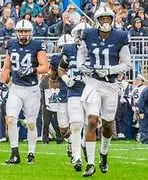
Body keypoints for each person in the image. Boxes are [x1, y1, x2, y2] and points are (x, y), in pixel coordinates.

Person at [77, 7, 131, 177]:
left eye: (108, 18)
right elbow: (81, 54)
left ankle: (104, 153)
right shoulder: (89, 34)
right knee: (92, 121)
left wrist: (109, 70)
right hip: (93, 82)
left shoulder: (120, 37)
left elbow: (127, 64)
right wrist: (81, 65)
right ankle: (91, 164)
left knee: (107, 125)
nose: (106, 21)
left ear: (112, 19)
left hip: (111, 85)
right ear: (97, 20)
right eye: (103, 18)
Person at [0, 19, 49, 164]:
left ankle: (31, 152)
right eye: (20, 31)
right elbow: (7, 67)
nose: (23, 34)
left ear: (31, 32)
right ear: (16, 32)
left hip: (32, 89)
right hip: (16, 88)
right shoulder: (11, 44)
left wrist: (32, 69)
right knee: (11, 119)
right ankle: (14, 153)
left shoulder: (37, 45)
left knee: (31, 123)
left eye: (25, 31)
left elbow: (45, 67)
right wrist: (1, 85)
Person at [58, 24, 89, 172]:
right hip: (74, 90)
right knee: (76, 124)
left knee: (90, 126)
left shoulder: (95, 49)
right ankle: (76, 158)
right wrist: (65, 79)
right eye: (79, 33)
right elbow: (61, 69)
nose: (81, 36)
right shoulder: (69, 49)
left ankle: (83, 147)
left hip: (91, 91)